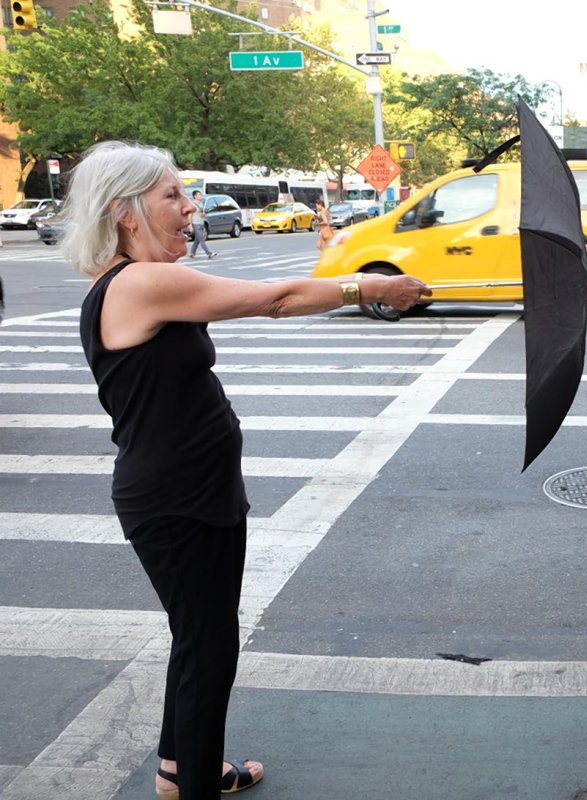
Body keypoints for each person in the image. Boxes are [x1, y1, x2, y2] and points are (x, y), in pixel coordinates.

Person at [64, 141, 430, 799]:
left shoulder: (128, 282)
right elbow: (279, 299)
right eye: (172, 195)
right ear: (124, 212)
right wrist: (368, 285)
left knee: (198, 635)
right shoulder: (141, 282)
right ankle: (196, 784)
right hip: (177, 500)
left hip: (188, 490)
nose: (189, 207)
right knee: (209, 648)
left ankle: (179, 771)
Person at [188, 190, 215, 259]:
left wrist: (203, 214)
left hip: (201, 223)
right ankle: (209, 253)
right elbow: (189, 215)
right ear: (195, 196)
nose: (200, 196)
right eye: (199, 195)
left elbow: (201, 214)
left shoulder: (201, 204)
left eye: (200, 195)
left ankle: (192, 253)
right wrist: (190, 225)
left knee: (197, 240)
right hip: (195, 223)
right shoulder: (192, 205)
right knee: (202, 239)